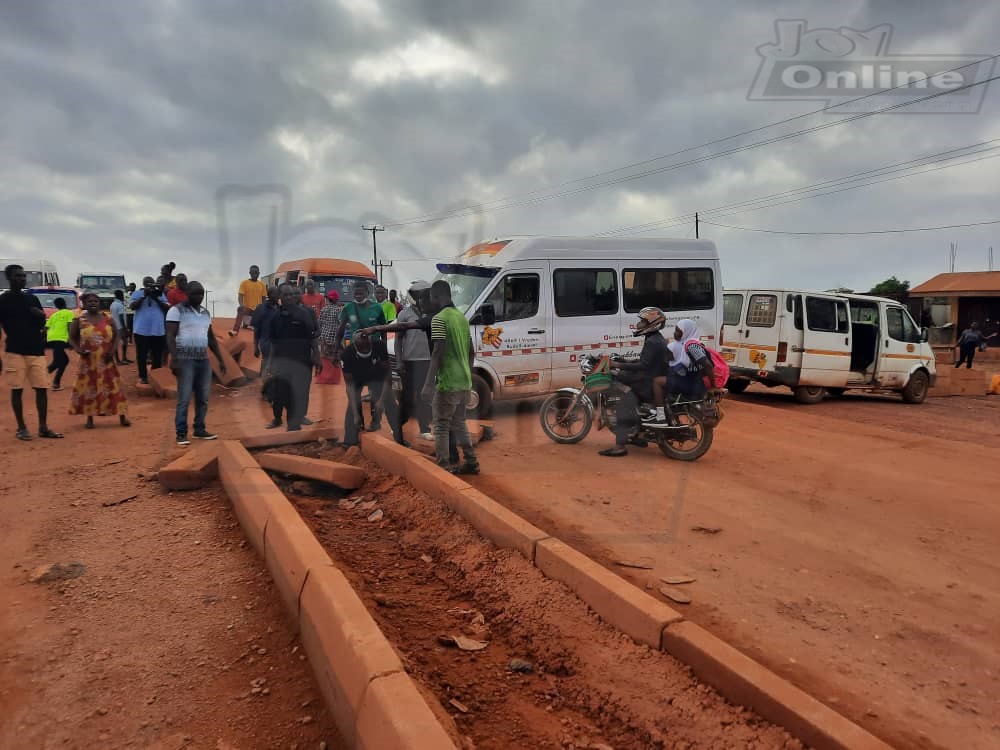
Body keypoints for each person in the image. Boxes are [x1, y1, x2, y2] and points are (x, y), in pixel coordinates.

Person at [0, 265, 64, 440]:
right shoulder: (3, 300)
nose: (22, 279)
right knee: (17, 389)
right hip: (15, 350)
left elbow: (41, 326)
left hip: (36, 350)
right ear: (9, 278)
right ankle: (21, 428)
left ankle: (43, 427)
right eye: (17, 276)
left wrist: (41, 317)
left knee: (42, 388)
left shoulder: (32, 299)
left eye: (23, 276)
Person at [421, 280, 478, 474]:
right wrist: (467, 374)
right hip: (464, 381)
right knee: (460, 423)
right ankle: (472, 463)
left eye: (430, 298)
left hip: (448, 383)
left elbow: (438, 352)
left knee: (441, 426)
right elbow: (472, 351)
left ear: (436, 296)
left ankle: (443, 467)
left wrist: (428, 384)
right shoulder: (461, 318)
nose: (430, 301)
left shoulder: (439, 319)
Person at [598, 307, 669, 458]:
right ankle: (638, 436)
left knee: (623, 405)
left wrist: (618, 365)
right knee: (624, 378)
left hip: (647, 383)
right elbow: (646, 361)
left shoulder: (652, 341)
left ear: (653, 324)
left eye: (643, 321)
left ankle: (619, 447)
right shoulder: (656, 338)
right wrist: (626, 361)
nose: (640, 324)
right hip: (651, 377)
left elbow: (644, 365)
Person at [166, 281, 223, 446]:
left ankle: (199, 429)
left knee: (203, 397)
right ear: (187, 294)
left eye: (201, 294)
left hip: (203, 359)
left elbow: (211, 338)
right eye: (195, 293)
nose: (198, 297)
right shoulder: (176, 311)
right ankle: (181, 433)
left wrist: (220, 359)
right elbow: (170, 336)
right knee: (184, 398)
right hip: (185, 359)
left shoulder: (205, 313)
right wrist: (175, 359)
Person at [68, 292, 130, 429]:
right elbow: (71, 338)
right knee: (89, 388)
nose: (93, 303)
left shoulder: (108, 318)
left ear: (99, 303)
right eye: (89, 301)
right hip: (88, 361)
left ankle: (122, 416)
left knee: (114, 387)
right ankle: (89, 418)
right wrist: (78, 350)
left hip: (106, 359)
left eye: (95, 301)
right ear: (84, 304)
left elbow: (116, 335)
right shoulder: (79, 320)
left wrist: (113, 351)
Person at [265, 283, 321, 431]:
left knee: (299, 392)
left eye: (291, 294)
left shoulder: (304, 314)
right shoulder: (275, 317)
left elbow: (313, 338)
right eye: (286, 295)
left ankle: (294, 424)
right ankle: (278, 418)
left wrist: (317, 357)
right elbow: (273, 343)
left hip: (302, 361)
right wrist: (269, 363)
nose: (290, 297)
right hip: (282, 363)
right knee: (281, 393)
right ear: (280, 297)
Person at [334, 282, 387, 428]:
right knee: (354, 388)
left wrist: (384, 348)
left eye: (361, 292)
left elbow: (383, 329)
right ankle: (359, 422)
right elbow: (341, 329)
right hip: (355, 352)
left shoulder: (377, 308)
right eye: (355, 292)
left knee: (376, 389)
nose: (358, 295)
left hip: (374, 353)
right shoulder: (348, 308)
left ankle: (376, 422)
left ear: (367, 292)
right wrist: (336, 349)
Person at [651, 318, 715, 420]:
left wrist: (713, 387)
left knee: (657, 382)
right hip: (690, 380)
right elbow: (671, 360)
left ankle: (660, 416)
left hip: (690, 383)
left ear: (686, 332)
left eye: (678, 331)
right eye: (675, 330)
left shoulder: (692, 346)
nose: (675, 333)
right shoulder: (684, 344)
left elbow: (708, 365)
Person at [340, 332, 390, 447]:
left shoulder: (379, 345)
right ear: (355, 345)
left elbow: (388, 375)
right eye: (361, 347)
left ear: (370, 343)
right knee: (352, 410)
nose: (364, 349)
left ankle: (399, 437)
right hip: (356, 379)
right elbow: (350, 386)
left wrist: (381, 401)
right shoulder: (347, 354)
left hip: (376, 376)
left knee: (389, 403)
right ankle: (350, 440)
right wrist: (355, 412)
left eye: (367, 346)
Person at [130, 276, 169, 384]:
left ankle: (155, 376)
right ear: (143, 284)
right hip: (141, 330)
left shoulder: (160, 294)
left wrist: (155, 297)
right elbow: (133, 306)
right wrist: (144, 296)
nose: (150, 286)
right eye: (148, 284)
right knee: (141, 355)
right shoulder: (137, 293)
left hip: (157, 330)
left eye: (152, 284)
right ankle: (143, 377)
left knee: (157, 355)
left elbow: (167, 308)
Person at [45, 296, 75, 391]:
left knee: (64, 361)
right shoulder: (69, 313)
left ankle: (55, 382)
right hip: (61, 338)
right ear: (65, 303)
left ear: (56, 306)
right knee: (57, 362)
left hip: (51, 339)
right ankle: (43, 377)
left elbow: (45, 328)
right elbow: (70, 325)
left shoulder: (54, 315)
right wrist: (71, 340)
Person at [230, 265, 267, 336]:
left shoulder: (262, 285)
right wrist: (241, 305)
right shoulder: (244, 283)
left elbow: (264, 298)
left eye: (256, 272)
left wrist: (264, 308)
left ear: (259, 273)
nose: (254, 274)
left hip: (257, 309)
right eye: (253, 272)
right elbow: (240, 296)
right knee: (241, 309)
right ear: (250, 273)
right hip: (248, 308)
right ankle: (235, 331)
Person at [316, 289, 343, 384]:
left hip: (324, 339)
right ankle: (334, 379)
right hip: (335, 339)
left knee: (324, 359)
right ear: (336, 300)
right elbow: (342, 325)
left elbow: (319, 323)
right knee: (335, 358)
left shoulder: (323, 309)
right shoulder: (339, 310)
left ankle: (323, 379)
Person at [109, 289, 131, 364]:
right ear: (121, 296)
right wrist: (125, 328)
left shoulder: (113, 304)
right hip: (120, 327)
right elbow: (121, 317)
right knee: (124, 342)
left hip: (114, 326)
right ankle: (124, 358)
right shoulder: (120, 305)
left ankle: (118, 360)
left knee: (115, 343)